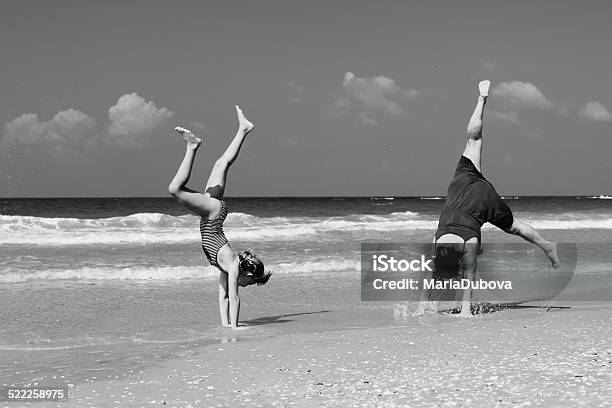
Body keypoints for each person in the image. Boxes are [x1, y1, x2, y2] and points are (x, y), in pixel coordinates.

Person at [416, 81, 559, 317]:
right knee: (474, 140)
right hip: (471, 187)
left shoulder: (444, 249)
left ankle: (460, 310)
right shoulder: (441, 235)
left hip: (471, 218)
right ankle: (481, 99)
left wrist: (421, 309)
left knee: (509, 232)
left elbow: (442, 274)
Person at [168, 106, 271, 329]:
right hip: (213, 215)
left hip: (213, 213)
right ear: (248, 273)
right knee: (175, 189)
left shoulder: (225, 268)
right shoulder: (232, 264)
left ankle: (243, 129)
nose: (243, 286)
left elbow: (223, 297)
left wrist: (225, 326)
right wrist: (236, 328)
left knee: (220, 164)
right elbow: (234, 298)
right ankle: (192, 147)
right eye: (248, 283)